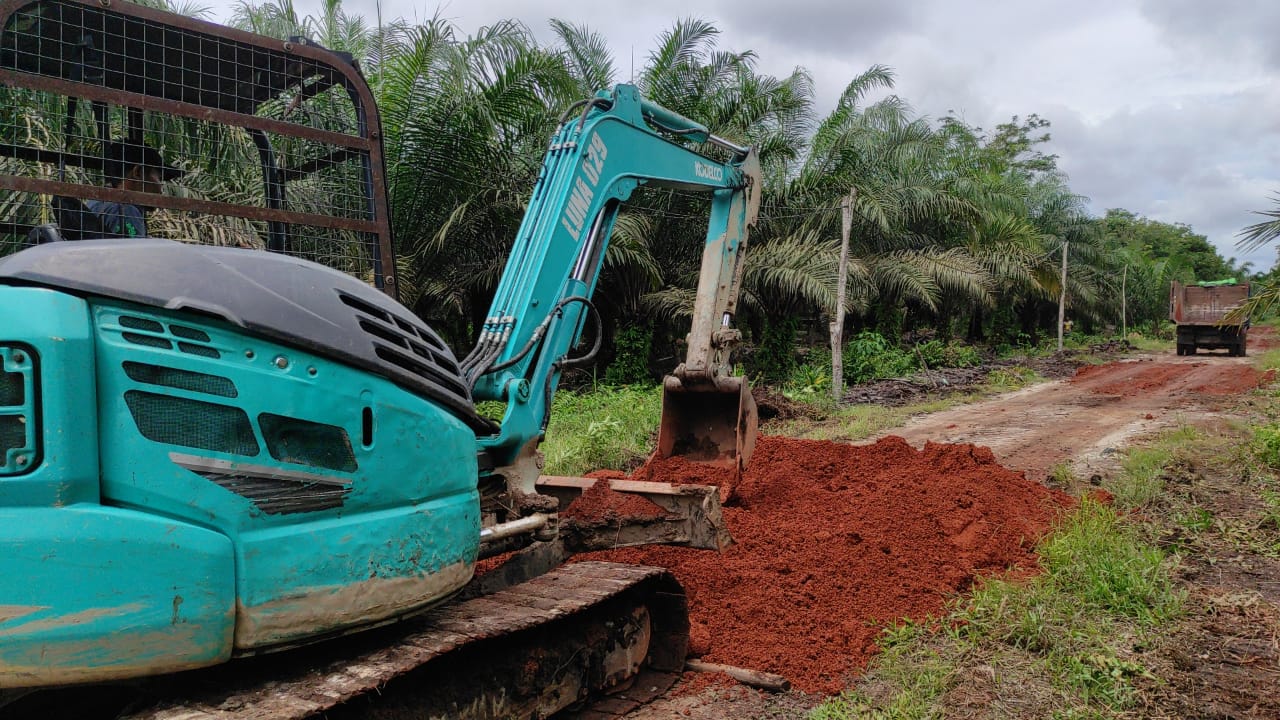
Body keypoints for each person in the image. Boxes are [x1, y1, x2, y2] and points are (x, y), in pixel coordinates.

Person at [86, 140, 184, 238]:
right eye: (159, 178)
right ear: (138, 172)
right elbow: (134, 252)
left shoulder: (96, 203)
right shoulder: (125, 210)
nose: (161, 189)